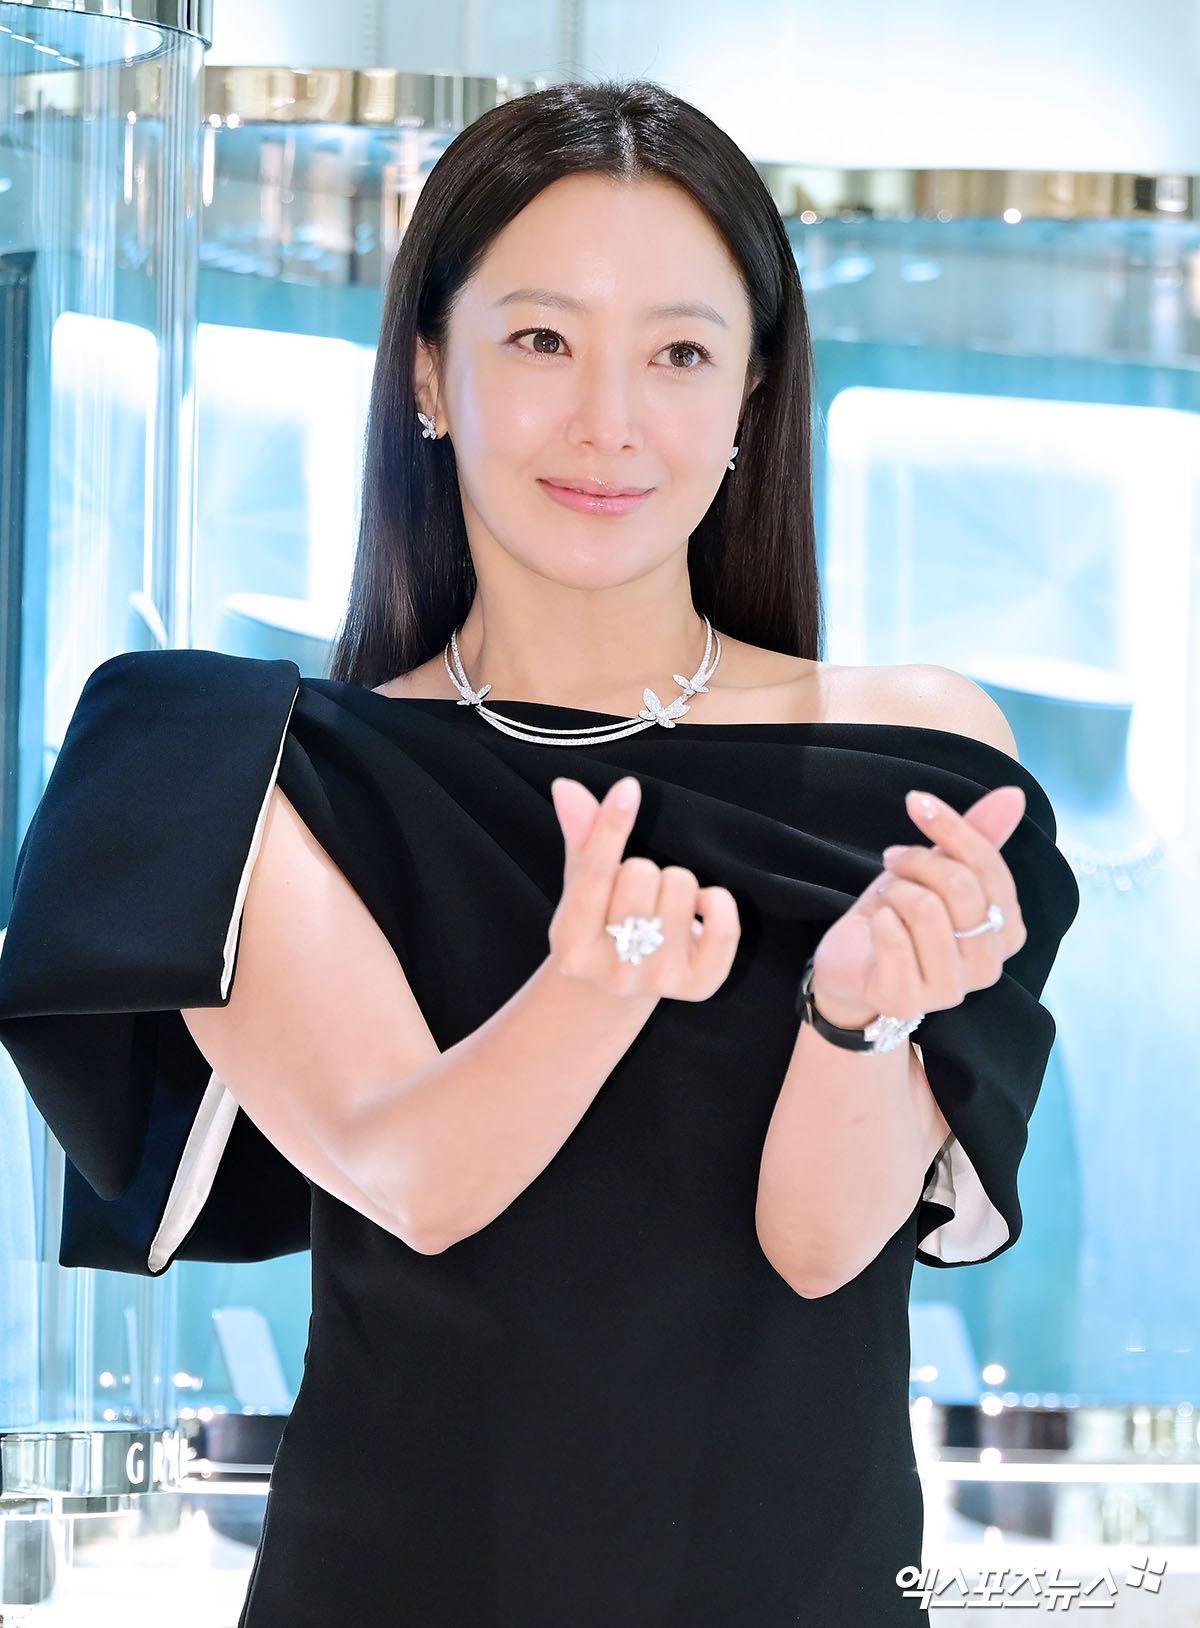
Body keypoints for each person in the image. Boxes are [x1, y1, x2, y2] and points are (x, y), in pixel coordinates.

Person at [0, 79, 1080, 1628]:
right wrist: (591, 986)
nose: (609, 423)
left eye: (680, 354)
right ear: (427, 372)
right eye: (541, 340)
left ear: (751, 399)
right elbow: (414, 1175)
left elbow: (820, 1243)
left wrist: (859, 1013)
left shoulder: (921, 756)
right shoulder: (239, 767)